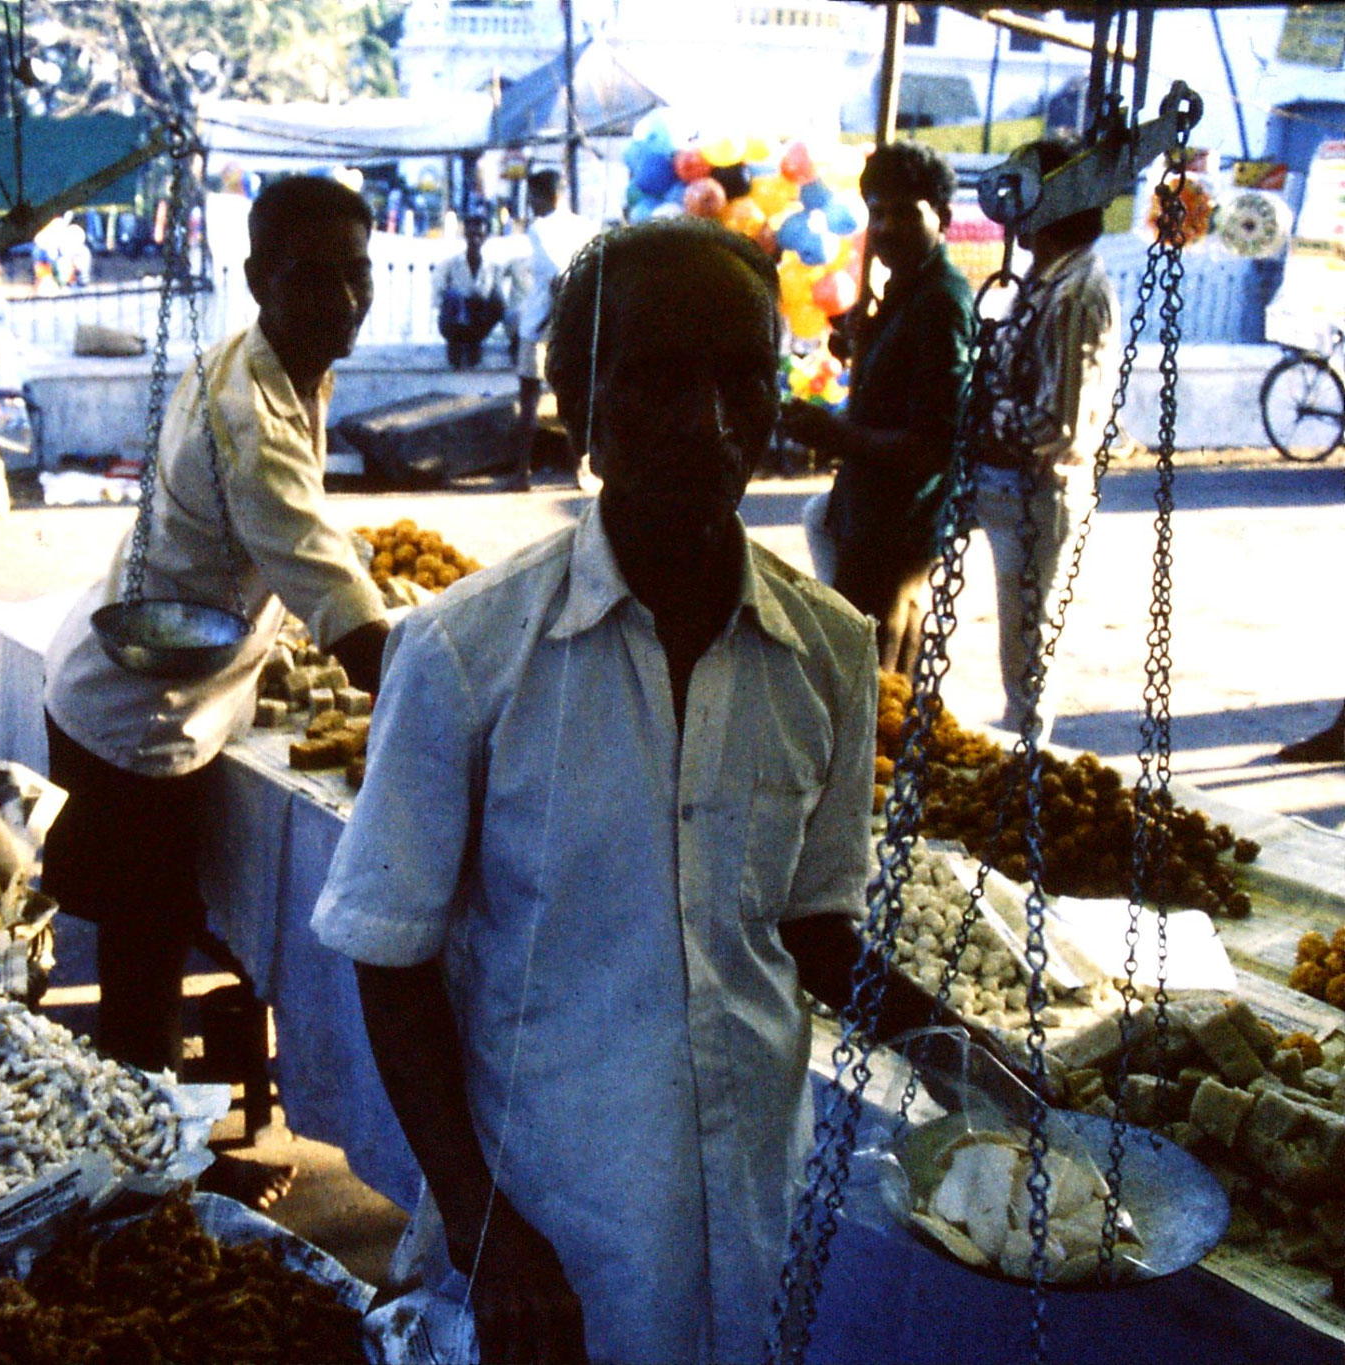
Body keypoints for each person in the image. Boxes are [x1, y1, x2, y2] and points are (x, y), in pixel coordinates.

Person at [313, 220, 963, 1364]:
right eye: (655, 381)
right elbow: (389, 958)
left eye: (741, 380)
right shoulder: (467, 655)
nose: (708, 424)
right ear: (577, 401)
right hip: (547, 1228)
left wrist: (962, 1050)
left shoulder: (830, 650)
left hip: (747, 1191)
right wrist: (480, 1221)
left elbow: (811, 923)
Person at [42, 175, 392, 1205]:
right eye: (309, 277)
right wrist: (464, 711)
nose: (339, 298)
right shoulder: (251, 415)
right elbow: (348, 618)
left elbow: (300, 554)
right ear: (255, 280)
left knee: (176, 936)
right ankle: (148, 1197)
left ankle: (177, 1149)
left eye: (355, 273)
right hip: (136, 719)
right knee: (143, 973)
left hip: (174, 690)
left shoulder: (279, 366)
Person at [784, 140, 975, 676]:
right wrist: (860, 345)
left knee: (877, 690)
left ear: (943, 217)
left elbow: (932, 444)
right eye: (877, 212)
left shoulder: (940, 301)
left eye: (905, 213)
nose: (887, 227)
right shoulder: (904, 293)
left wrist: (836, 435)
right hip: (867, 518)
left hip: (900, 528)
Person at [973, 135, 1121, 738]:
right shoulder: (1045, 280)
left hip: (1038, 497)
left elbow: (1060, 428)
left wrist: (984, 417)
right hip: (1004, 489)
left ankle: (1024, 778)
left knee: (1027, 662)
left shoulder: (1077, 292)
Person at [505, 169, 596, 491]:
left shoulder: (540, 228)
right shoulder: (585, 227)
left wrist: (556, 319)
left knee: (529, 400)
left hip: (541, 325)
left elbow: (559, 277)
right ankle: (580, 472)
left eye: (533, 198)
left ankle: (522, 474)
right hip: (577, 325)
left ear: (547, 196)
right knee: (573, 401)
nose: (531, 205)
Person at [435, 212, 505, 369]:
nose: (475, 240)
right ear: (465, 234)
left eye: (480, 235)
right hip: (455, 321)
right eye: (471, 234)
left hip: (478, 322)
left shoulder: (492, 267)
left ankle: (474, 344)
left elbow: (498, 303)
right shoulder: (451, 264)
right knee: (453, 298)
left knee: (494, 304)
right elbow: (437, 296)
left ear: (486, 237)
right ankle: (456, 348)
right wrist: (460, 303)